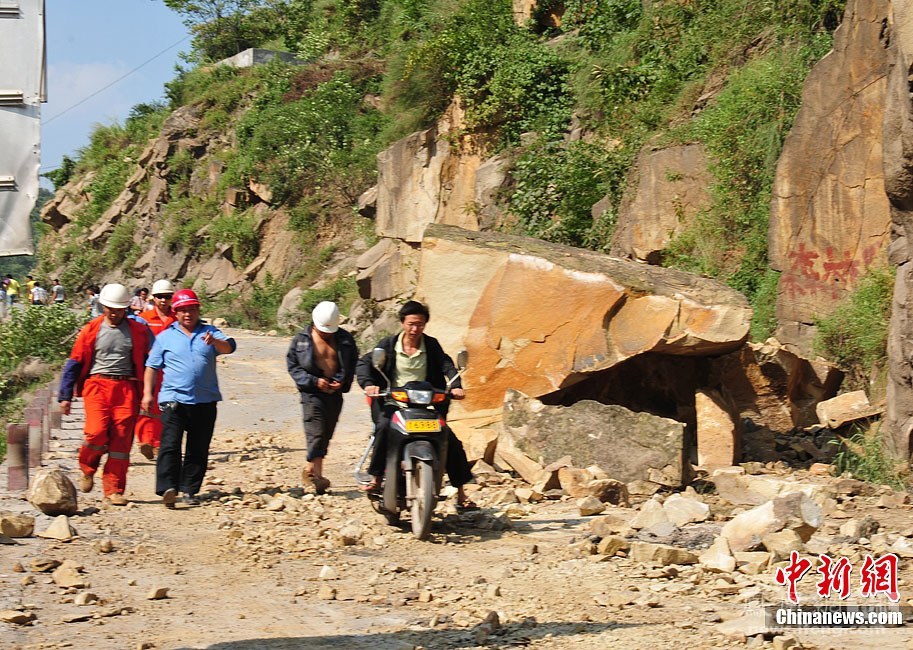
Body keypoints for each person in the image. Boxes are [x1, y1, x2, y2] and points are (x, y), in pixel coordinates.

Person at [356, 300, 477, 510]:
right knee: (384, 428)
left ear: (425, 325)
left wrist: (456, 385)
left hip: (425, 405)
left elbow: (447, 365)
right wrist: (369, 385)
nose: (415, 329)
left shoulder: (431, 345)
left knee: (449, 439)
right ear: (402, 323)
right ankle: (376, 476)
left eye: (420, 324)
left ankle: (461, 493)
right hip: (396, 403)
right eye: (411, 323)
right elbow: (365, 363)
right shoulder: (388, 345)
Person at [58, 283, 153, 506]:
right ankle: (88, 468)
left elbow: (151, 361)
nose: (115, 313)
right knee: (95, 433)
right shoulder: (91, 329)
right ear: (103, 306)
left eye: (119, 309)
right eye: (111, 308)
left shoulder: (139, 331)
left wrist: (150, 391)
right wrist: (65, 395)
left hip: (126, 388)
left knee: (121, 441)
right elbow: (74, 362)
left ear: (126, 308)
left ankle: (114, 490)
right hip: (97, 386)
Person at [142, 289, 236, 508]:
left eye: (191, 309)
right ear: (175, 313)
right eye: (183, 310)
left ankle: (190, 490)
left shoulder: (211, 332)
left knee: (198, 447)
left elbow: (230, 347)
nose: (187, 314)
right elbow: (151, 366)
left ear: (198, 310)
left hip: (205, 400)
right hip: (173, 399)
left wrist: (215, 343)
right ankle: (168, 488)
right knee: (170, 445)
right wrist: (147, 394)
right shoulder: (165, 337)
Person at [286, 301, 358, 494]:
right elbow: (293, 365)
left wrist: (342, 381)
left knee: (326, 433)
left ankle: (310, 468)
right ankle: (317, 479)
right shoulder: (301, 340)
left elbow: (352, 363)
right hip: (312, 393)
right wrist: (313, 381)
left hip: (334, 394)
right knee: (315, 431)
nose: (326, 333)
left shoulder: (345, 340)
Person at [134, 279, 176, 460]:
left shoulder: (178, 318)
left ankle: (158, 443)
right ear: (153, 298)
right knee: (144, 404)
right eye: (160, 297)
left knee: (164, 406)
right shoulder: (144, 319)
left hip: (171, 370)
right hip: (148, 369)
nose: (163, 301)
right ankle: (145, 440)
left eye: (167, 297)